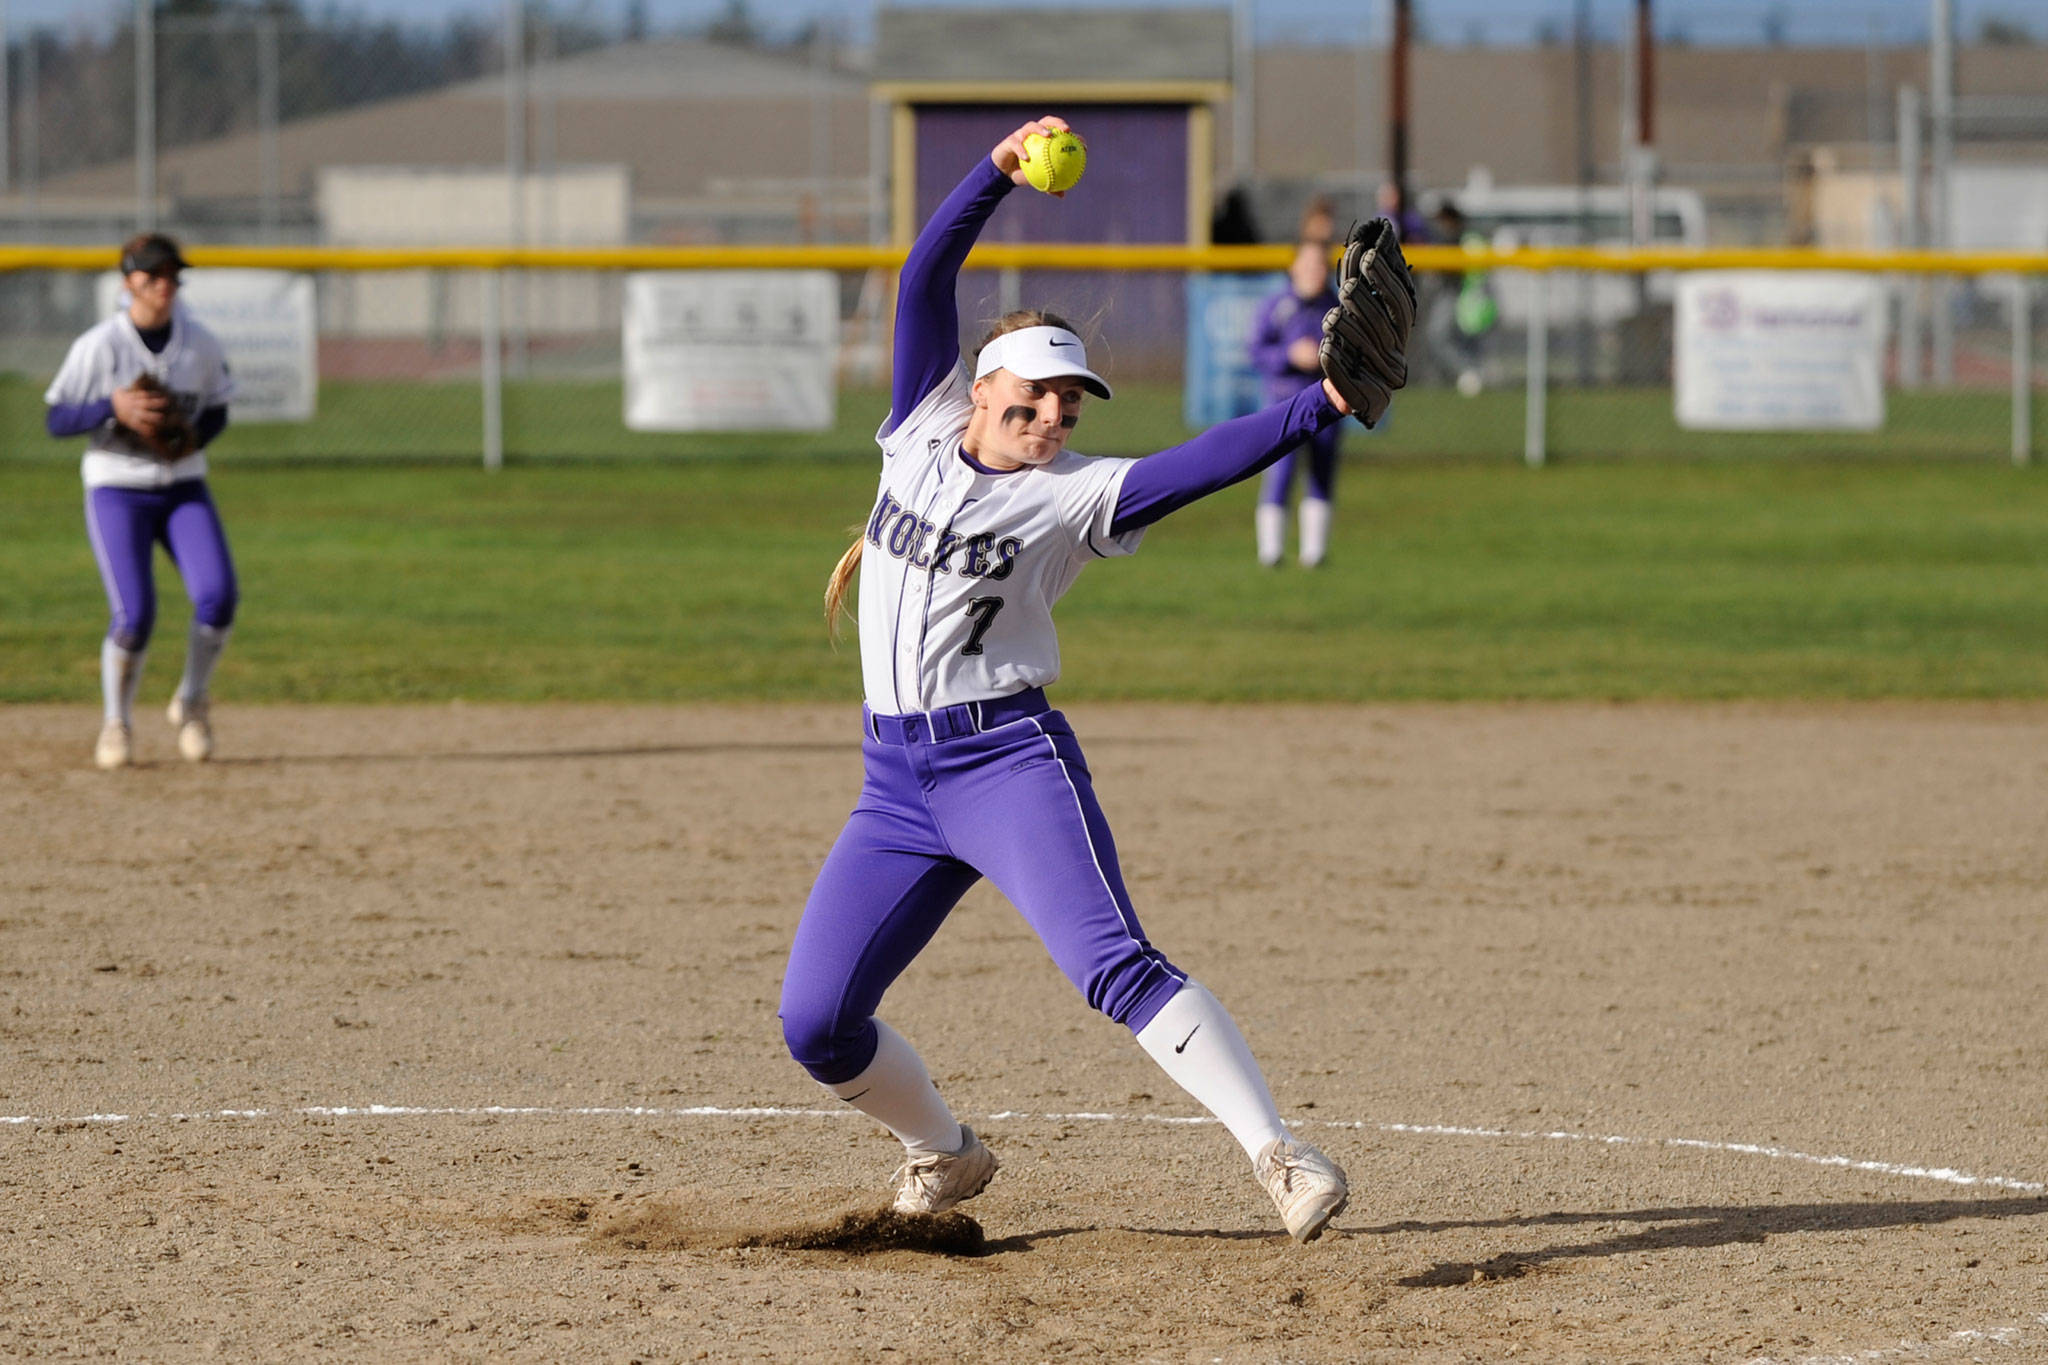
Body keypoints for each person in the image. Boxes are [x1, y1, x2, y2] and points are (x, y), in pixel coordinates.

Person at [781, 117, 1375, 1244]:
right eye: (1041, 393)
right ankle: (942, 1156)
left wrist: (1322, 405)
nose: (1057, 414)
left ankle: (1280, 1158)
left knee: (1109, 963)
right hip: (892, 787)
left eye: (1072, 402)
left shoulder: (1075, 497)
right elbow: (922, 275)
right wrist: (994, 172)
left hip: (1003, 764)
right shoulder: (917, 426)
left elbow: (1201, 462)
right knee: (815, 1023)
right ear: (983, 384)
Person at [44, 233, 237, 769]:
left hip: (183, 487)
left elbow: (219, 408)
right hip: (117, 488)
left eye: (173, 277)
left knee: (218, 597)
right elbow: (56, 417)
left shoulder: (200, 342)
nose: (165, 287)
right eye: (154, 277)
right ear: (130, 282)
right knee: (134, 615)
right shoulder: (100, 346)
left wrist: (197, 438)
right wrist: (112, 407)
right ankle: (116, 722)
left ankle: (192, 702)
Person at [1248, 239, 1344, 568]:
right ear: (1294, 268)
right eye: (1308, 264)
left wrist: (1324, 356)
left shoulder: (1335, 306)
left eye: (1321, 266)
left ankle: (1314, 552)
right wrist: (1289, 355)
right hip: (1283, 400)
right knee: (1280, 471)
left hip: (1325, 402)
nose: (1315, 272)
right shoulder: (1278, 305)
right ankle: (1271, 551)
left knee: (1321, 471)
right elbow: (1257, 350)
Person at [1427, 200, 1498, 397]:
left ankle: (1470, 372)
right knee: (1442, 337)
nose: (1440, 223)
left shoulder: (1462, 238)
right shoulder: (1444, 238)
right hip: (1452, 294)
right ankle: (1469, 371)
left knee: (1443, 335)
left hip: (1461, 294)